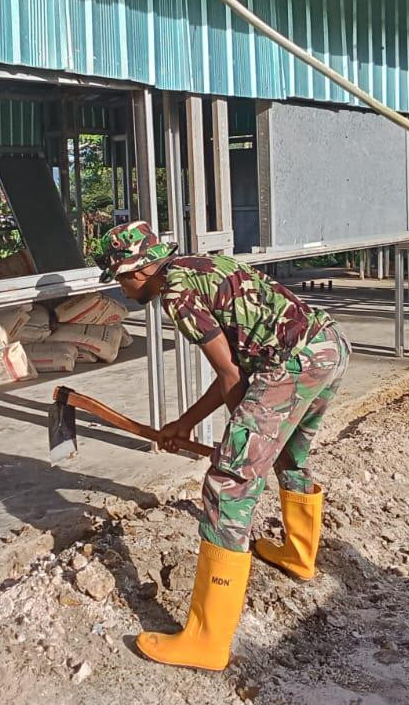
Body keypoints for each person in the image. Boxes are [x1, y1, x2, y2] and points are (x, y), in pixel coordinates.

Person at [96, 220, 350, 671]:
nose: (121, 288)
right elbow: (235, 369)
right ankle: (299, 556)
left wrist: (238, 444)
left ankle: (206, 641)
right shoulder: (202, 265)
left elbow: (232, 377)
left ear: (135, 271)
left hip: (292, 363)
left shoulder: (175, 295)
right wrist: (185, 424)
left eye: (118, 278)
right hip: (326, 346)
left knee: (228, 483)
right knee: (291, 455)